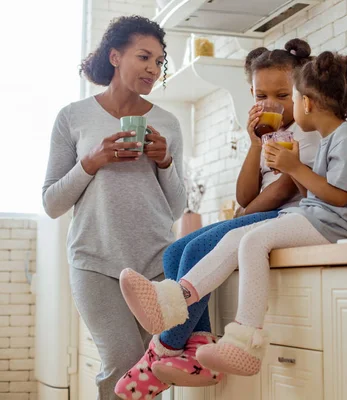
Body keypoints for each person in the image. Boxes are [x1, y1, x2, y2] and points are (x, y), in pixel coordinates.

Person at [118, 51, 347, 378]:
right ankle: (171, 301)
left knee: (252, 241)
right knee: (236, 238)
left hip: (335, 226)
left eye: (293, 97)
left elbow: (340, 198)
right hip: (318, 219)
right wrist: (292, 168)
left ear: (308, 103)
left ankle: (242, 343)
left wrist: (295, 168)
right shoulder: (333, 139)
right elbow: (311, 195)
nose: (286, 105)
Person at [41, 15, 185, 400]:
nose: (153, 68)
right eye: (144, 57)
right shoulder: (72, 117)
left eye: (159, 61)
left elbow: (177, 208)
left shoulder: (167, 123)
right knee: (125, 363)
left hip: (156, 262)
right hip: (95, 262)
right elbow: (52, 203)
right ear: (115, 56)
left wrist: (166, 162)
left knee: (149, 373)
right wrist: (91, 160)